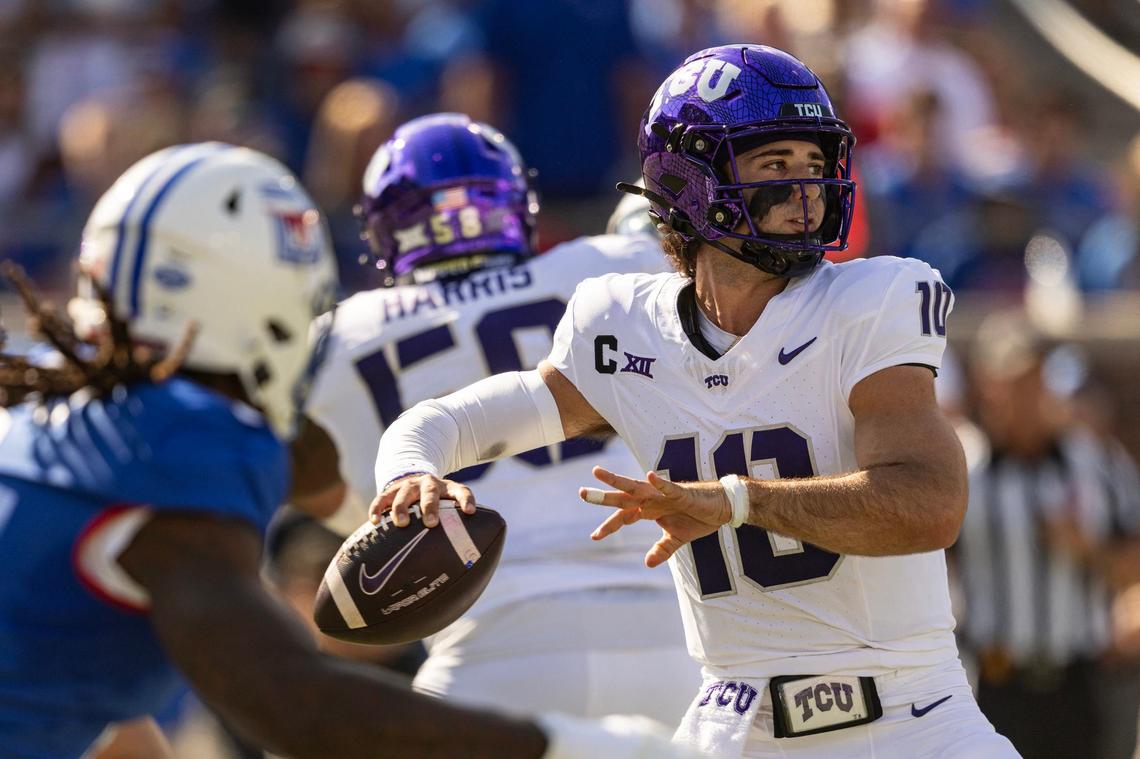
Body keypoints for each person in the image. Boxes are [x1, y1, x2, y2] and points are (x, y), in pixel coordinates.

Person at [371, 45, 1020, 757]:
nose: (805, 187)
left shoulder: (871, 299)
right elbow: (461, 417)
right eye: (774, 165)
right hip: (732, 724)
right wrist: (411, 467)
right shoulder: (622, 325)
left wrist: (738, 501)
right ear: (689, 180)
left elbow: (928, 504)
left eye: (813, 161)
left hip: (909, 712)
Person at [0, 142, 695, 759]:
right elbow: (298, 707)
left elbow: (88, 716)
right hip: (670, 630)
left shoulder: (67, 422)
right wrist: (573, 746)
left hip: (493, 651)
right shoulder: (186, 434)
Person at [293, 112, 699, 721]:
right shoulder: (615, 265)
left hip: (491, 649)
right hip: (675, 633)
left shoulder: (341, 339)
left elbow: (323, 494)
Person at [954, 312, 1140, 759]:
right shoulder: (966, 472)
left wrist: (1085, 550)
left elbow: (1133, 561)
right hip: (998, 684)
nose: (1018, 401)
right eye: (1005, 386)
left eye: (1029, 384)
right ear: (985, 389)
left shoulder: (1094, 463)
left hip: (1082, 682)